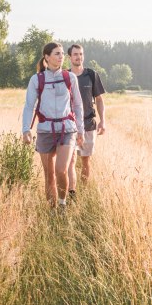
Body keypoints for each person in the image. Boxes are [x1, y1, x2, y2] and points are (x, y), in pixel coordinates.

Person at [22, 42, 84, 210]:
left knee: (61, 170)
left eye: (62, 53)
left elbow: (78, 105)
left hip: (67, 130)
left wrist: (81, 131)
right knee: (49, 176)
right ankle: (52, 211)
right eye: (57, 53)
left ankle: (63, 204)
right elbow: (29, 106)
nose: (61, 56)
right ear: (47, 57)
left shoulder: (69, 77)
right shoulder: (37, 79)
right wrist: (26, 129)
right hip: (46, 131)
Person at [66, 44, 106, 197]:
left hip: (89, 124)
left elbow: (99, 99)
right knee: (70, 160)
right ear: (70, 57)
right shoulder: (64, 76)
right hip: (69, 125)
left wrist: (103, 121)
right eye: (75, 54)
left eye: (81, 54)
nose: (79, 57)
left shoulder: (91, 75)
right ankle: (71, 193)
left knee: (85, 160)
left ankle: (84, 191)